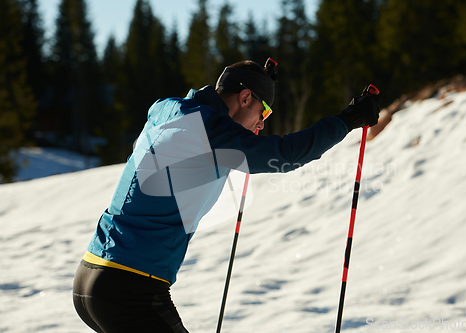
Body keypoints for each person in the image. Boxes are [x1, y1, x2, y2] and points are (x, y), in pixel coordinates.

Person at [72, 58, 381, 333]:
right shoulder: (211, 129)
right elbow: (285, 154)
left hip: (91, 274)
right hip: (130, 287)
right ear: (245, 97)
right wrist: (348, 120)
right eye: (264, 112)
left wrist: (256, 85)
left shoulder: (167, 108)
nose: (261, 124)